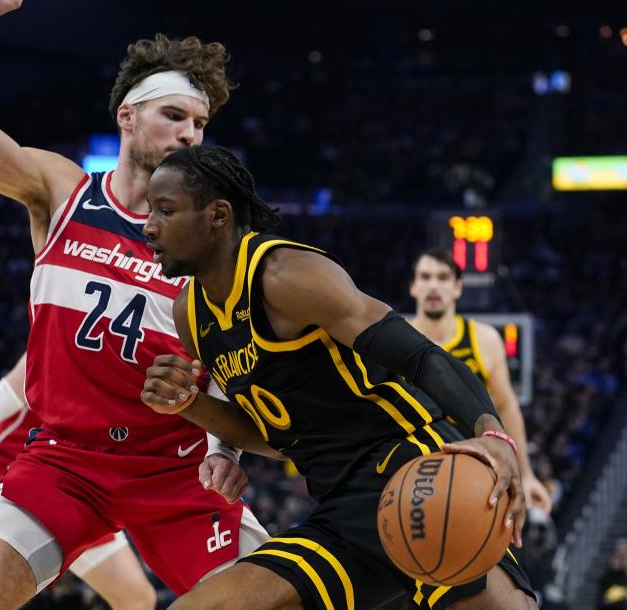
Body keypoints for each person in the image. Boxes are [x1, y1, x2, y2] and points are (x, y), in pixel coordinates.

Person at [0, 0, 267, 608]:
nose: (190, 135)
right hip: (64, 461)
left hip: (174, 469)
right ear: (127, 116)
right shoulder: (63, 191)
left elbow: (231, 363)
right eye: (174, 116)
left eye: (199, 125)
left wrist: (226, 448)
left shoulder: (212, 240)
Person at [141, 145, 536, 609]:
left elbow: (421, 357)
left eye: (165, 210)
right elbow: (277, 436)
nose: (149, 226)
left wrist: (492, 433)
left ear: (218, 216)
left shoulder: (285, 276)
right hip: (339, 509)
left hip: (412, 468)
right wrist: (190, 404)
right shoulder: (190, 316)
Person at [0, 354, 157, 609]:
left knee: (138, 599)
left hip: (73, 476)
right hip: (9, 470)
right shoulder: (60, 342)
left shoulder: (136, 353)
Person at [408, 248, 554, 516]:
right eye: (425, 277)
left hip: (475, 477)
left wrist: (525, 474)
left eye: (443, 278)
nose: (433, 286)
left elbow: (506, 407)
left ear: (457, 287)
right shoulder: (398, 341)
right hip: (414, 476)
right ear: (413, 287)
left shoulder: (484, 339)